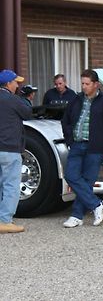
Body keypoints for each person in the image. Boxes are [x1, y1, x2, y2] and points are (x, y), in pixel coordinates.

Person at [61, 69, 103, 228]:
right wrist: (69, 139)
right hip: (77, 145)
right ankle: (96, 204)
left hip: (95, 148)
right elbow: (65, 120)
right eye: (82, 84)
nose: (84, 87)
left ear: (96, 84)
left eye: (87, 84)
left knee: (87, 182)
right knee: (71, 176)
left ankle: (76, 216)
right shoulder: (76, 99)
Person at [0, 69, 32, 233]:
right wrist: (25, 99)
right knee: (11, 185)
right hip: (10, 149)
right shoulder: (13, 100)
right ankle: (5, 221)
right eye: (15, 82)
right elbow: (27, 114)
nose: (17, 85)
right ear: (8, 83)